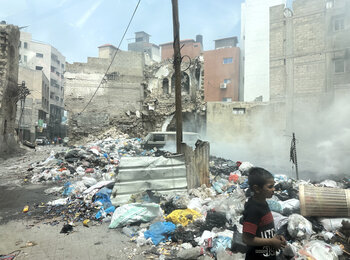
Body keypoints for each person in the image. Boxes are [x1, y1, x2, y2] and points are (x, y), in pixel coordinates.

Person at [242, 167, 286, 259]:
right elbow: (247, 238)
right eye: (270, 187)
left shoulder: (263, 203)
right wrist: (271, 242)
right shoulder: (253, 209)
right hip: (257, 255)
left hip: (266, 253)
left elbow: (263, 231)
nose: (274, 189)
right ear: (257, 189)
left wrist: (277, 238)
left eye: (274, 186)